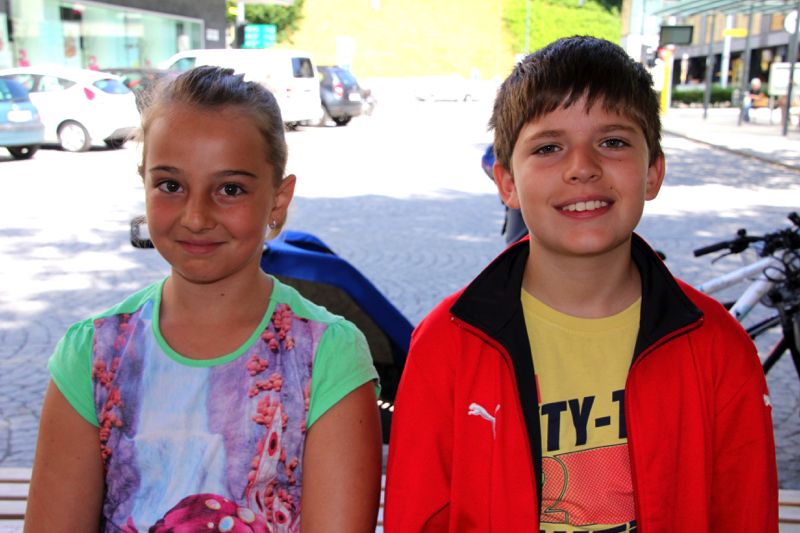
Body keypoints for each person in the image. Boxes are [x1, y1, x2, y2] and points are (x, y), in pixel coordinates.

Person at [385, 36, 778, 532]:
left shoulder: (719, 347)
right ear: (507, 183)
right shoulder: (446, 345)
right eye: (548, 147)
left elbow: (745, 514)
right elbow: (417, 517)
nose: (582, 167)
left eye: (612, 142)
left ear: (653, 172)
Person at [24, 66, 382, 532]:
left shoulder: (327, 356)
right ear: (145, 184)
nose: (195, 217)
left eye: (229, 189)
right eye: (171, 186)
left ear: (278, 201)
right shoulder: (93, 354)